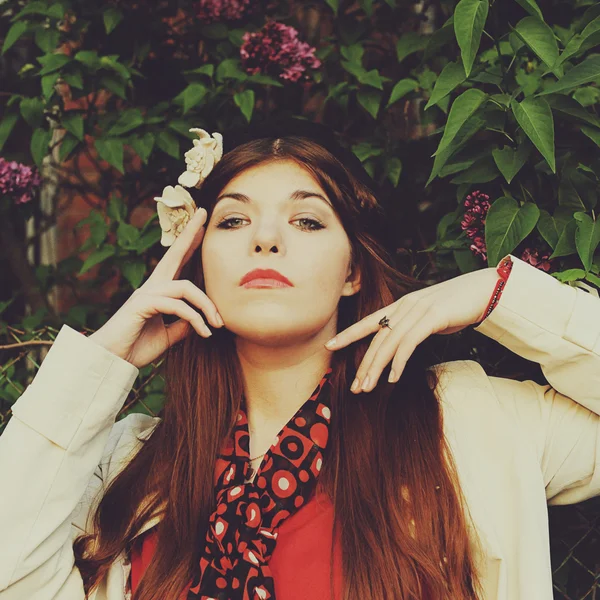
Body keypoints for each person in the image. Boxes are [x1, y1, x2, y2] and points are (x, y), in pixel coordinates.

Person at [0, 117, 598, 600]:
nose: (265, 238)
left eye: (306, 219)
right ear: (198, 260)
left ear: (352, 271)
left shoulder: (468, 424)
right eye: (234, 220)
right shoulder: (133, 468)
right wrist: (100, 365)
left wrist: (494, 296)